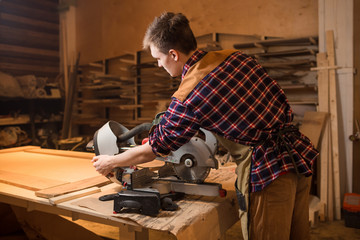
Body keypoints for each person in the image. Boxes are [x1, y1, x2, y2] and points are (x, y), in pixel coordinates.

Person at [92, 12, 319, 240]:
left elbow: (156, 148)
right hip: (297, 157)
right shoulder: (236, 57)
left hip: (267, 172)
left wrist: (111, 161)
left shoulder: (190, 94)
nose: (158, 64)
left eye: (158, 58)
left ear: (173, 54)